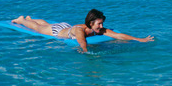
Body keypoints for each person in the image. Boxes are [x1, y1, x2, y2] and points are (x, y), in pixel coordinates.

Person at [12, 9, 154, 53]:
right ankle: (21, 20)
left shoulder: (97, 28)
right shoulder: (81, 30)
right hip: (56, 31)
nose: (101, 26)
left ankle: (30, 18)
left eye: (102, 23)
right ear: (91, 23)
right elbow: (81, 41)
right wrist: (86, 52)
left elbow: (117, 35)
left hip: (65, 25)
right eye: (99, 24)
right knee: (38, 27)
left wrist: (140, 39)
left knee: (42, 23)